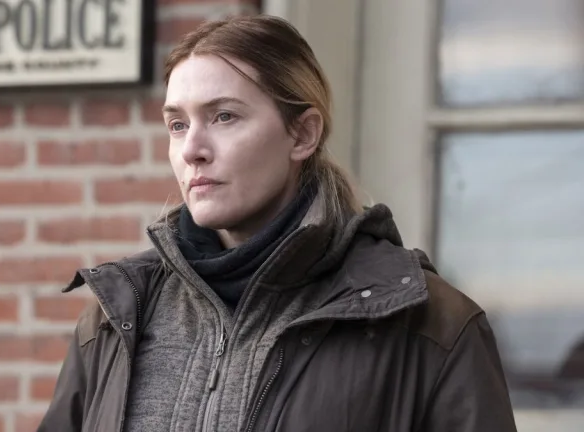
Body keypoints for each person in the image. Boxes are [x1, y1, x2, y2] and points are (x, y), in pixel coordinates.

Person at [37, 14, 518, 432]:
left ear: (303, 134)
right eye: (178, 124)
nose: (192, 150)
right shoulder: (119, 317)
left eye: (224, 116)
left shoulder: (430, 324)